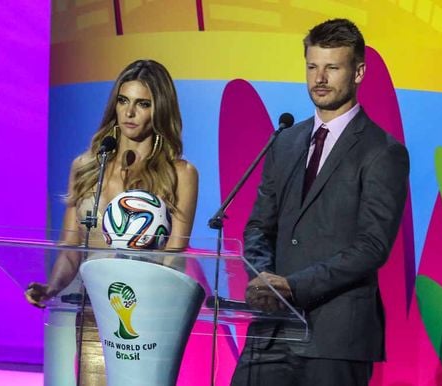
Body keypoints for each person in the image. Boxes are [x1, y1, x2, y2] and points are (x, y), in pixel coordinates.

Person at [231, 19, 410, 386]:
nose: (320, 78)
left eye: (332, 67)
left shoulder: (383, 152)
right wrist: (262, 279)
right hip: (271, 334)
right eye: (312, 67)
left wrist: (293, 286)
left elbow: (372, 246)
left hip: (335, 337)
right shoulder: (285, 141)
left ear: (358, 72)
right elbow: (258, 227)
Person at [25, 59, 198, 386]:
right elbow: (71, 250)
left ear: (158, 110)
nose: (129, 113)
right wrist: (51, 288)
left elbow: (175, 255)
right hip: (95, 310)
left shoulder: (181, 174)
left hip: (148, 316)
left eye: (142, 104)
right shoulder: (87, 166)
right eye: (123, 101)